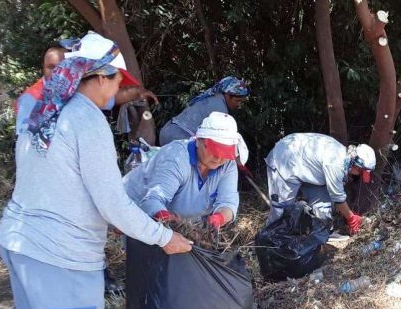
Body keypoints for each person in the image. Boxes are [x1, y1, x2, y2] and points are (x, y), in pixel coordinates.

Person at [0, 34, 193, 309]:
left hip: (21, 239)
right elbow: (111, 201)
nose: (117, 89)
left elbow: (65, 183)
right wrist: (163, 237)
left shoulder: (47, 107)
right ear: (99, 78)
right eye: (116, 81)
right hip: (57, 251)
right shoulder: (85, 119)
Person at [15, 36, 158, 135]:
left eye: (62, 65)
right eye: (50, 67)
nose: (57, 71)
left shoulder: (75, 87)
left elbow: (110, 99)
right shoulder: (30, 99)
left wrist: (139, 92)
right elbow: (28, 143)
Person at [124, 112, 242, 227]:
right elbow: (153, 200)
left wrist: (218, 218)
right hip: (133, 210)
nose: (219, 158)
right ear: (198, 140)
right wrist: (167, 218)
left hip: (181, 222)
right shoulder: (177, 158)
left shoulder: (227, 164)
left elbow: (228, 203)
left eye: (225, 152)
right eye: (214, 150)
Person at [264, 133, 376, 235]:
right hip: (285, 160)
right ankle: (270, 241)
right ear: (354, 163)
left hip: (306, 167)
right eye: (360, 172)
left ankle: (319, 236)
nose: (358, 175)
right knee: (282, 211)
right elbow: (338, 198)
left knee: (323, 206)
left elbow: (336, 197)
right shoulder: (335, 164)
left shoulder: (343, 157)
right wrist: (351, 218)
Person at [158, 75, 250, 146]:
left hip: (168, 130)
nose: (239, 105)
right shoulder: (220, 110)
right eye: (237, 101)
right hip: (179, 138)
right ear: (227, 95)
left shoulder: (212, 97)